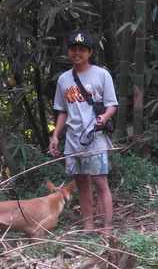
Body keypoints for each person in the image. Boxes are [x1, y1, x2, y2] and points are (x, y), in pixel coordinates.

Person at [48, 31, 118, 234]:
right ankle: (88, 226)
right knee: (81, 182)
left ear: (90, 52)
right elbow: (62, 110)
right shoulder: (63, 79)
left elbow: (111, 104)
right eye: (73, 49)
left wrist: (104, 118)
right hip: (73, 138)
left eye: (82, 49)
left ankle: (107, 227)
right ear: (69, 51)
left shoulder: (101, 74)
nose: (77, 53)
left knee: (99, 180)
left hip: (95, 138)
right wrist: (55, 135)